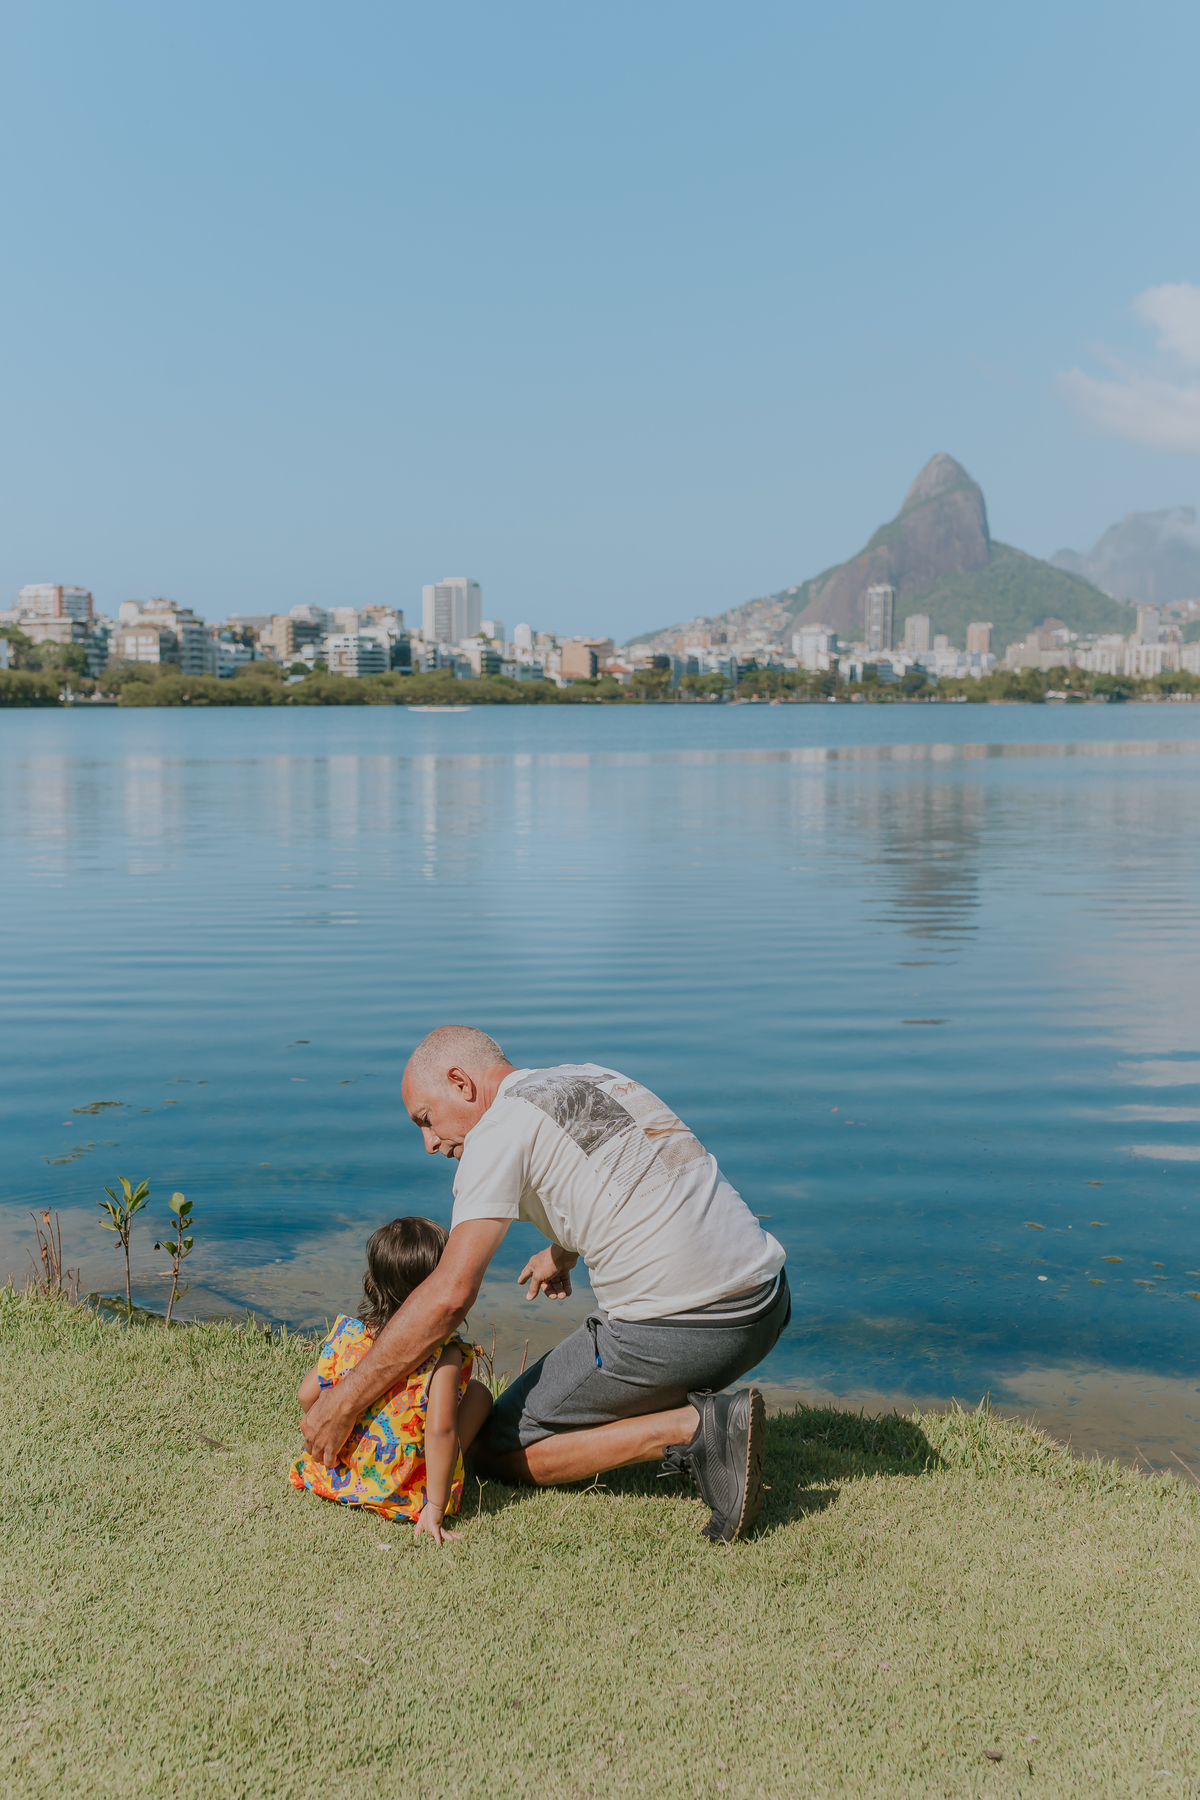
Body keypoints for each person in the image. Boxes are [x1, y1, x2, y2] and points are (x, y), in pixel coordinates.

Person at [301, 1027, 790, 1543]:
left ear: (460, 1083)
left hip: (684, 1329)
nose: (430, 1143)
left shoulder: (495, 1133)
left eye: (426, 1119)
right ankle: (695, 1413)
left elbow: (449, 1296)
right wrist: (563, 1251)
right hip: (765, 1301)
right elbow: (633, 1175)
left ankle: (693, 1432)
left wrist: (344, 1402)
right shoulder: (587, 1077)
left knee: (488, 1445)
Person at [291, 1215, 494, 1544]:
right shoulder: (445, 1353)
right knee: (481, 1395)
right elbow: (439, 1429)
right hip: (403, 1490)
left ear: (372, 1286)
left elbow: (306, 1396)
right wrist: (435, 1505)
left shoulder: (351, 1337)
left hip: (339, 1475)